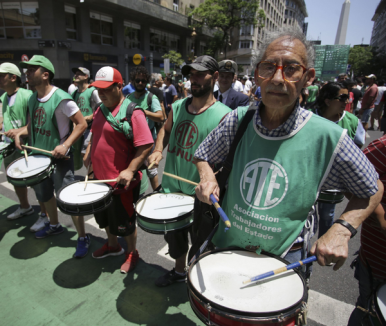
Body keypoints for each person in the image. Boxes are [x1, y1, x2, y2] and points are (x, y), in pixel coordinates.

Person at [193, 28, 382, 279]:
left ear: (308, 77)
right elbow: (202, 154)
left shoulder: (329, 136)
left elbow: (373, 187)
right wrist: (207, 176)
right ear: (259, 75)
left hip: (284, 258)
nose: (278, 78)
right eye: (269, 67)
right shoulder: (238, 120)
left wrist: (342, 228)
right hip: (227, 245)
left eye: (291, 68)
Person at [148, 55, 232, 286]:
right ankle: (178, 271)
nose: (193, 79)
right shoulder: (177, 106)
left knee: (201, 242)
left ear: (215, 77)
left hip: (200, 197)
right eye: (191, 74)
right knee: (174, 240)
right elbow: (165, 130)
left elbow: (229, 159)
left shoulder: (225, 115)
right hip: (171, 189)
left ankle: (197, 279)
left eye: (199, 74)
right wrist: (158, 150)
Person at [6, 56, 88, 249]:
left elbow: (82, 124)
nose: (26, 73)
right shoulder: (33, 97)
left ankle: (83, 237)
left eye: (31, 69)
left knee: (68, 198)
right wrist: (19, 134)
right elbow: (32, 126)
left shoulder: (61, 98)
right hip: (38, 159)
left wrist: (65, 145)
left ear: (45, 75)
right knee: (44, 195)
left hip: (59, 159)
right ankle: (54, 224)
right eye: (26, 70)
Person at [83, 66, 153, 273]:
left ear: (119, 86)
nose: (101, 93)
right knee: (104, 218)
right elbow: (96, 136)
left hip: (121, 183)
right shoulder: (98, 109)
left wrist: (131, 169)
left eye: (106, 88)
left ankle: (132, 252)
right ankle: (112, 245)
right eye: (98, 89)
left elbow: (146, 144)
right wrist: (89, 154)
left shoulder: (133, 111)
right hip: (99, 180)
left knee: (126, 222)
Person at [0, 62, 41, 222]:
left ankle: (45, 215)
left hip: (26, 146)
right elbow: (9, 119)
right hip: (9, 147)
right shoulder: (4, 96)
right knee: (15, 178)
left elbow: (33, 123)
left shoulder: (27, 95)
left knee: (36, 182)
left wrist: (19, 132)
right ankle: (25, 207)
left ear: (13, 77)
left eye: (1, 76)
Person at [314, 82, 366, 238]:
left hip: (333, 184)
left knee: (327, 216)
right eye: (342, 98)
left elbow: (358, 146)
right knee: (302, 219)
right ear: (327, 100)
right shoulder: (310, 116)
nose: (347, 102)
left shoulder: (352, 122)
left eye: (348, 98)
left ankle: (321, 248)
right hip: (308, 179)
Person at [348, 136, 386, 325]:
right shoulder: (383, 147)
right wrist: (380, 219)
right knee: (368, 312)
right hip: (379, 260)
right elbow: (351, 179)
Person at [70, 66, 102, 258]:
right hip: (79, 129)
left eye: (79, 73)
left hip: (90, 129)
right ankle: (91, 176)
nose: (76, 76)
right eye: (75, 73)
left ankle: (93, 179)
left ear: (87, 76)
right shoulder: (75, 92)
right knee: (82, 159)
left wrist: (88, 118)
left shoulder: (93, 91)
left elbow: (99, 110)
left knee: (86, 157)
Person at [126, 66, 163, 192]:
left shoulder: (151, 98)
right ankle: (135, 196)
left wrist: (143, 112)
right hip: (131, 141)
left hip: (148, 143)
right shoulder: (128, 98)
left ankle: (157, 194)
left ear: (147, 82)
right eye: (138, 80)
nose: (140, 83)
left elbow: (160, 116)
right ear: (133, 81)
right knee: (134, 169)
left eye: (143, 80)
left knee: (151, 170)